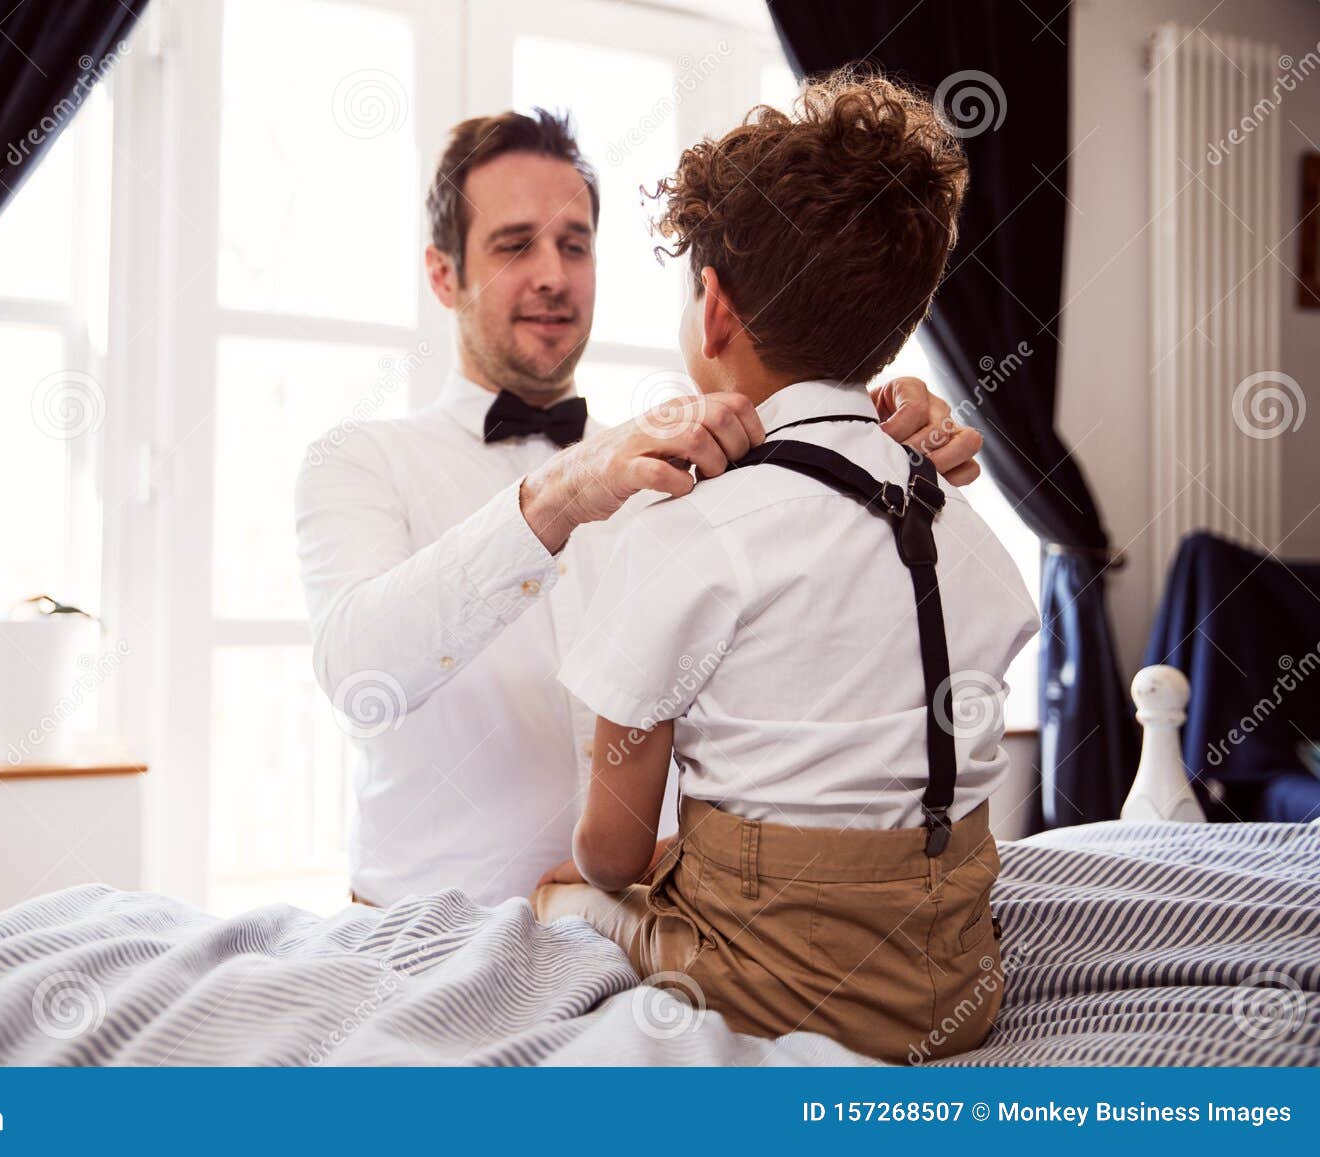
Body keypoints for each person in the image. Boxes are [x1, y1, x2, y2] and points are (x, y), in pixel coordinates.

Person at [295, 106, 987, 909]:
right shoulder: (357, 461)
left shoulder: (699, 456)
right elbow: (357, 674)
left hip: (656, 942)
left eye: (575, 244)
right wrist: (559, 496)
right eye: (515, 244)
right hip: (422, 939)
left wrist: (884, 442)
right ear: (444, 274)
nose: (553, 274)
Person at [530, 72, 1039, 1063]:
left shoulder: (685, 532)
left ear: (711, 308)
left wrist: (599, 874)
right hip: (959, 980)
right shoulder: (958, 520)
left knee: (564, 886)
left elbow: (614, 847)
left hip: (780, 983)